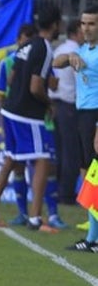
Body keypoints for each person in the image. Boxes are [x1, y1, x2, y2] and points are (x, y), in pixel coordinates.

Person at [0, 7, 58, 231]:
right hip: (28, 114)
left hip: (9, 109)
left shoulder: (25, 45)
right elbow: (36, 87)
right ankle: (36, 219)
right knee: (42, 160)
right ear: (56, 25)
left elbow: (13, 76)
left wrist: (16, 95)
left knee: (10, 160)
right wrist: (49, 103)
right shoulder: (44, 48)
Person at [59, 6, 98, 250]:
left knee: (95, 176)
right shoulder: (82, 50)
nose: (86, 28)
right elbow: (56, 61)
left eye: (92, 24)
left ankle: (94, 238)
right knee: (91, 177)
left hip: (94, 116)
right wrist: (69, 57)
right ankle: (92, 238)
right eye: (84, 23)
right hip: (83, 114)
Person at [50, 19, 83, 206]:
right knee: (72, 152)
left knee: (59, 151)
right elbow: (83, 81)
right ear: (75, 32)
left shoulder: (58, 50)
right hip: (70, 106)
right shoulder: (76, 52)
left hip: (55, 104)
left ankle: (57, 191)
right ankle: (67, 194)